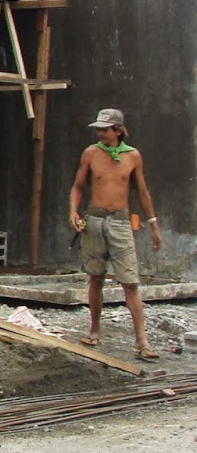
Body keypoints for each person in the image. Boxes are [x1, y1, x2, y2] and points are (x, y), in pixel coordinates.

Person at [68, 107, 162, 361]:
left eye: (104, 129)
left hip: (120, 222)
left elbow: (142, 192)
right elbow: (77, 187)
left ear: (118, 130)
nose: (100, 133)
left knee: (130, 282)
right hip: (95, 220)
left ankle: (142, 341)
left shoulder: (132, 156)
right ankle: (94, 331)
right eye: (98, 129)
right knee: (95, 277)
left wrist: (153, 223)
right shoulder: (90, 153)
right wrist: (73, 212)